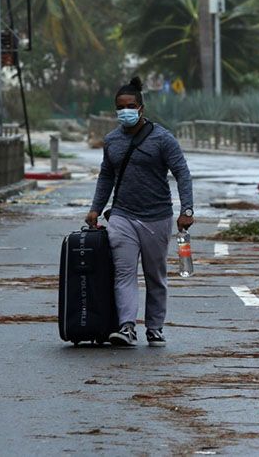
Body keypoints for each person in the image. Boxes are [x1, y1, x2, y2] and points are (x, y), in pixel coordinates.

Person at [86, 77, 194, 347]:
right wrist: (95, 208)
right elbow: (106, 176)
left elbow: (182, 173)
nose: (126, 111)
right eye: (120, 107)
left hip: (157, 217)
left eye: (131, 106)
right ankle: (127, 327)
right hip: (122, 215)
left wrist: (187, 209)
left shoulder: (162, 139)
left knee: (155, 275)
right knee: (124, 272)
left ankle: (155, 328)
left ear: (141, 108)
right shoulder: (112, 141)